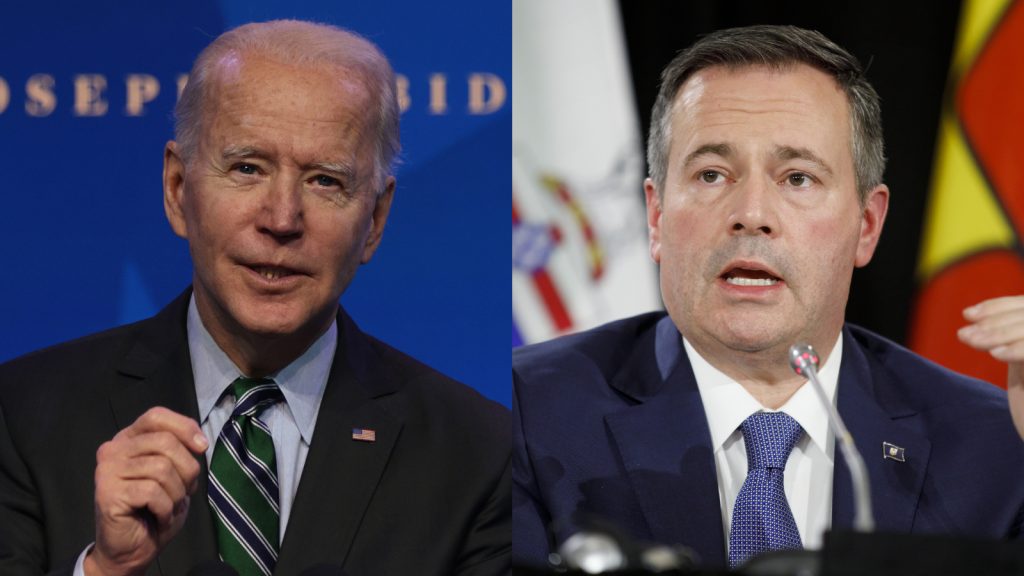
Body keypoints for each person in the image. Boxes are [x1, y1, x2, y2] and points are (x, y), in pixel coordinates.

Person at [0, 20, 510, 576]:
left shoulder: (479, 455)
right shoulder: (23, 416)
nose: (282, 219)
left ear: (375, 221)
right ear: (177, 189)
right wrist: (105, 570)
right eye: (247, 168)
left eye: (324, 181)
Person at [512, 25, 1024, 569]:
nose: (751, 214)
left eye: (797, 178)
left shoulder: (995, 442)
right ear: (657, 216)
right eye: (711, 174)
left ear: (867, 225)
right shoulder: (525, 413)